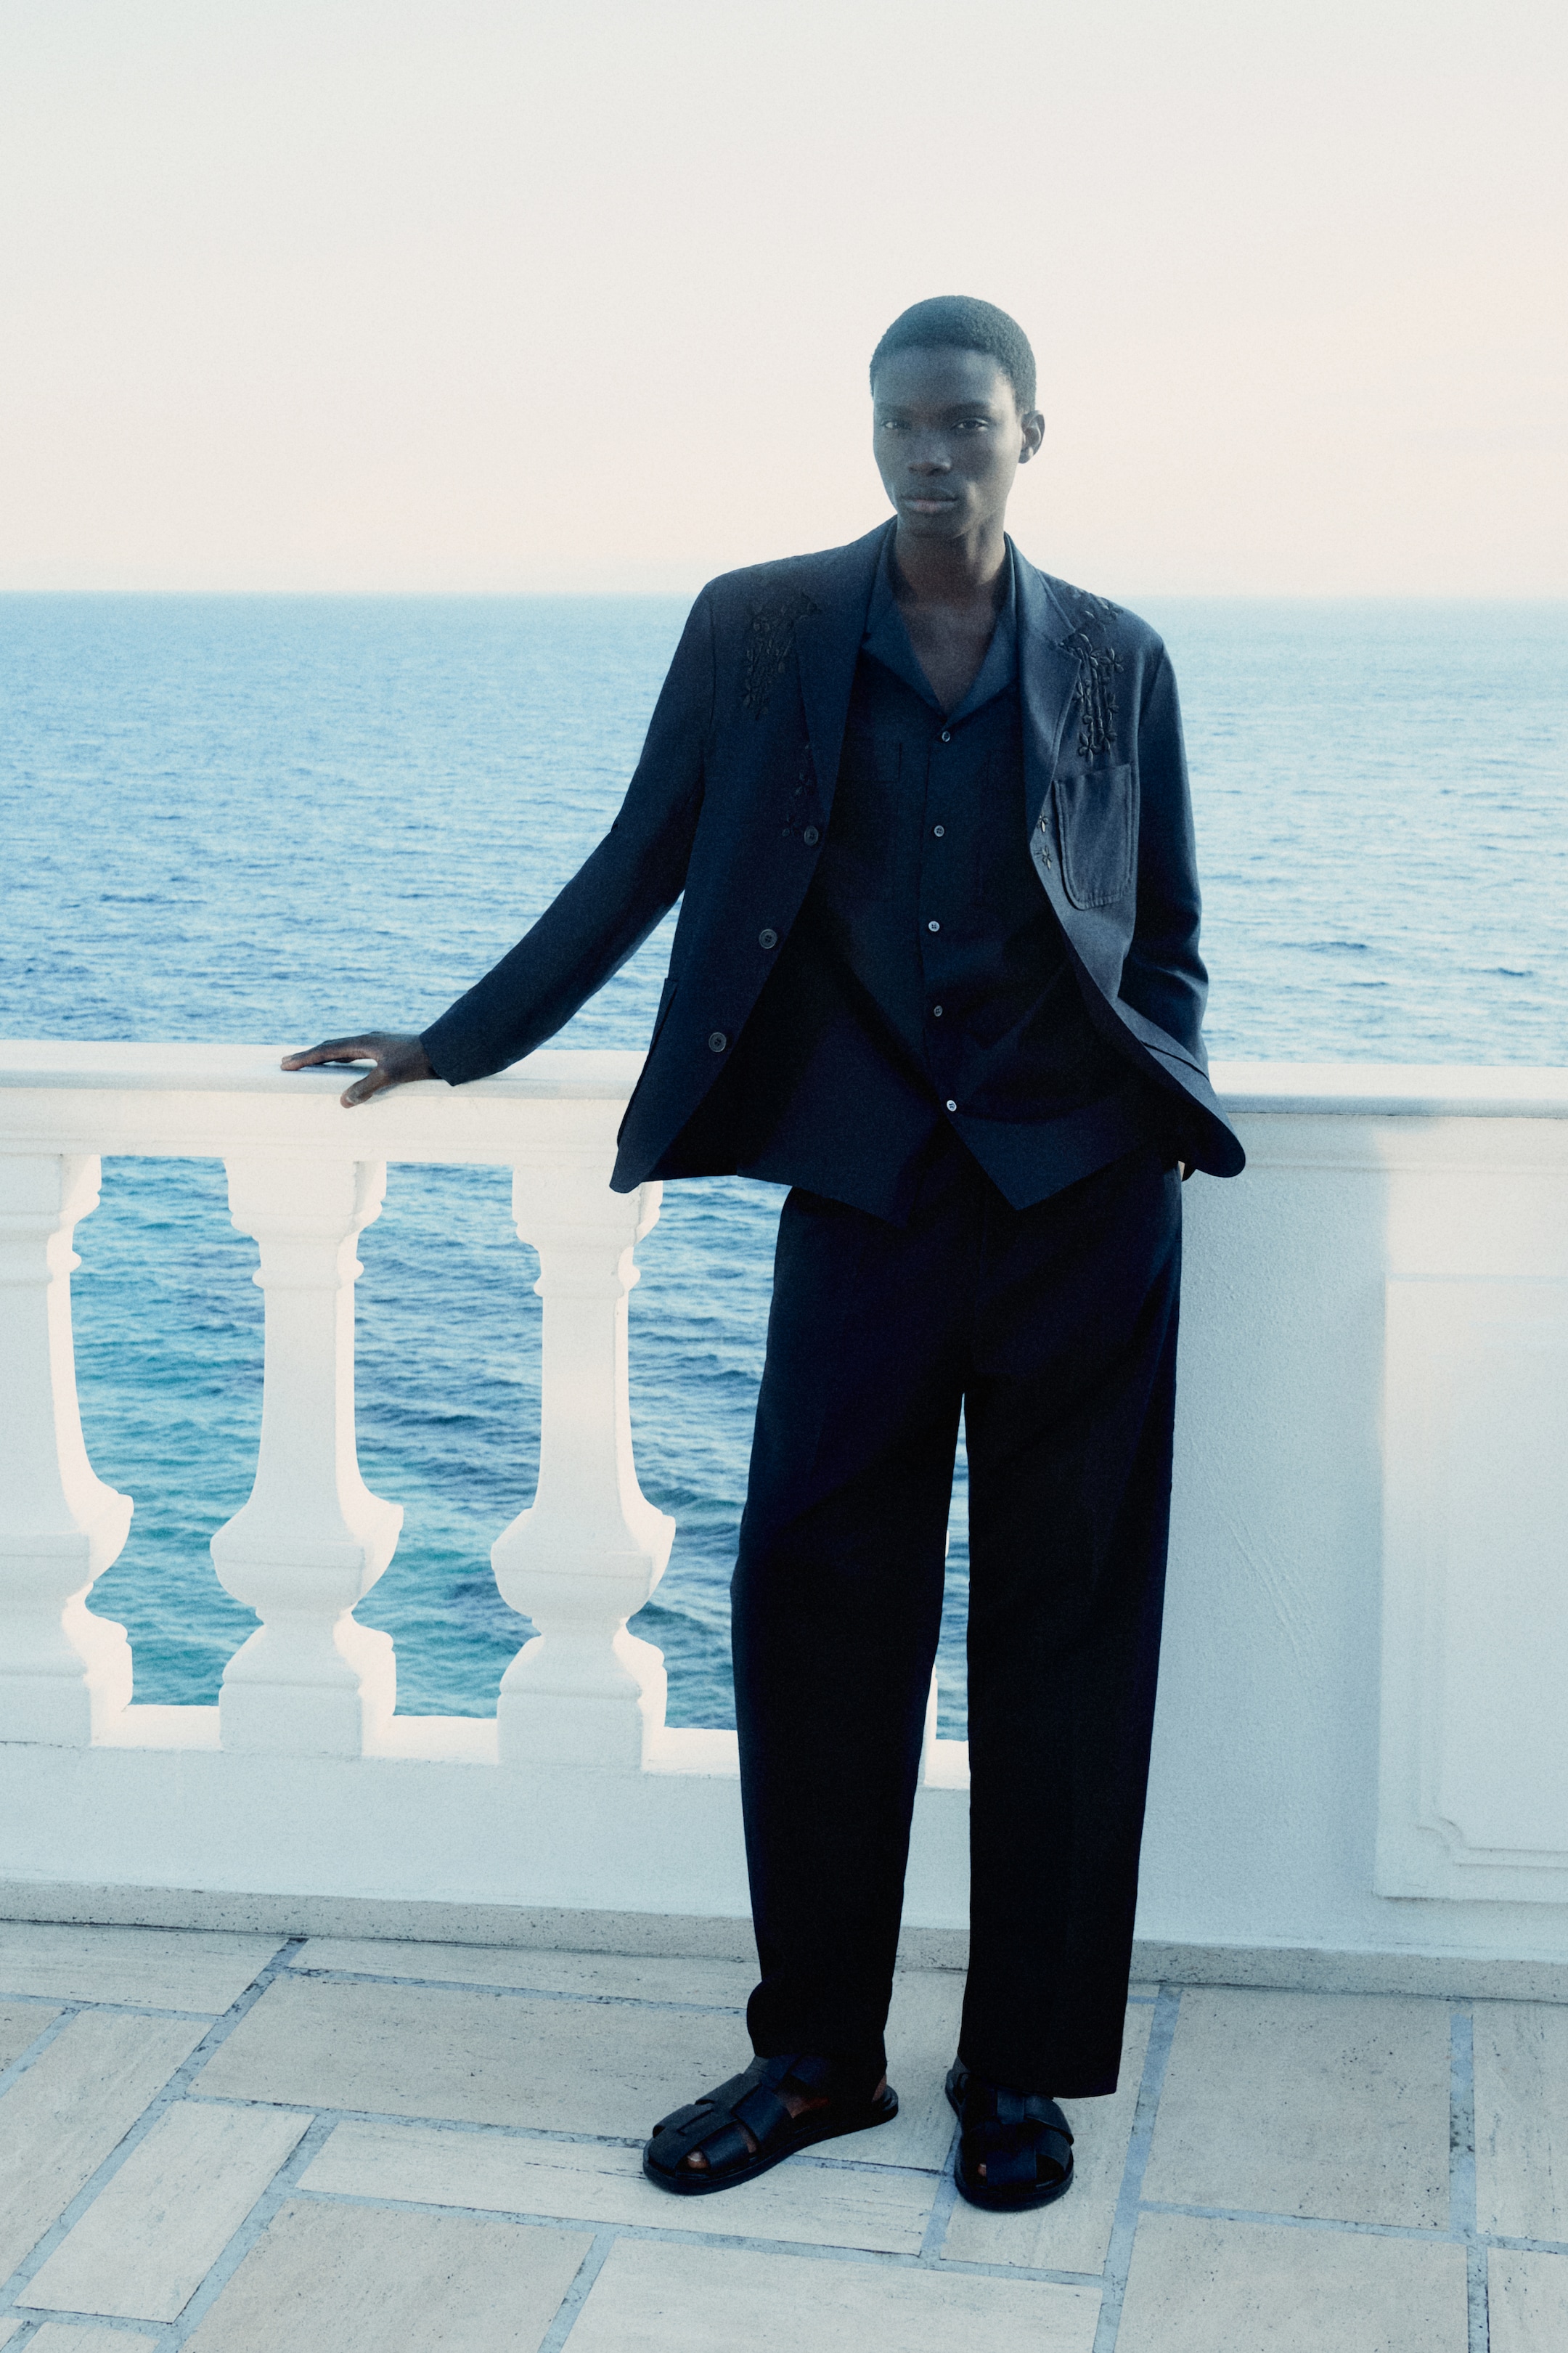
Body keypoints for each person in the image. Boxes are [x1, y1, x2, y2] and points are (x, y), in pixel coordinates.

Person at [285, 295, 1244, 2214]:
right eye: (903, 421)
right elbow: (638, 858)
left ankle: (1021, 2066)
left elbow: (1165, 935)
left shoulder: (1119, 659)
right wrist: (460, 1040)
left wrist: (1148, 1109)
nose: (932, 451)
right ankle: (817, 2053)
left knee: (1066, 1639)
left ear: (1031, 434)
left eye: (967, 421)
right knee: (816, 1619)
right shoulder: (763, 630)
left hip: (1079, 1213)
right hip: (863, 1203)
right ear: (871, 432)